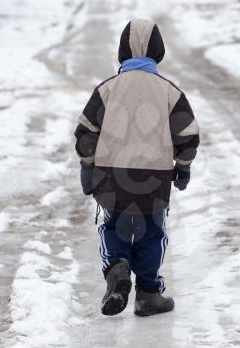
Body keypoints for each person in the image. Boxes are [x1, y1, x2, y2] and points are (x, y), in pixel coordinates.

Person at [74, 18, 199, 317]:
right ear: (158, 51)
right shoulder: (170, 92)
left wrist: (88, 165)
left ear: (121, 51)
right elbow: (187, 134)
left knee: (114, 225)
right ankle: (148, 292)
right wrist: (183, 166)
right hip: (154, 177)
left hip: (110, 174)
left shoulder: (106, 90)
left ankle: (117, 268)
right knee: (152, 232)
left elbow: (86, 132)